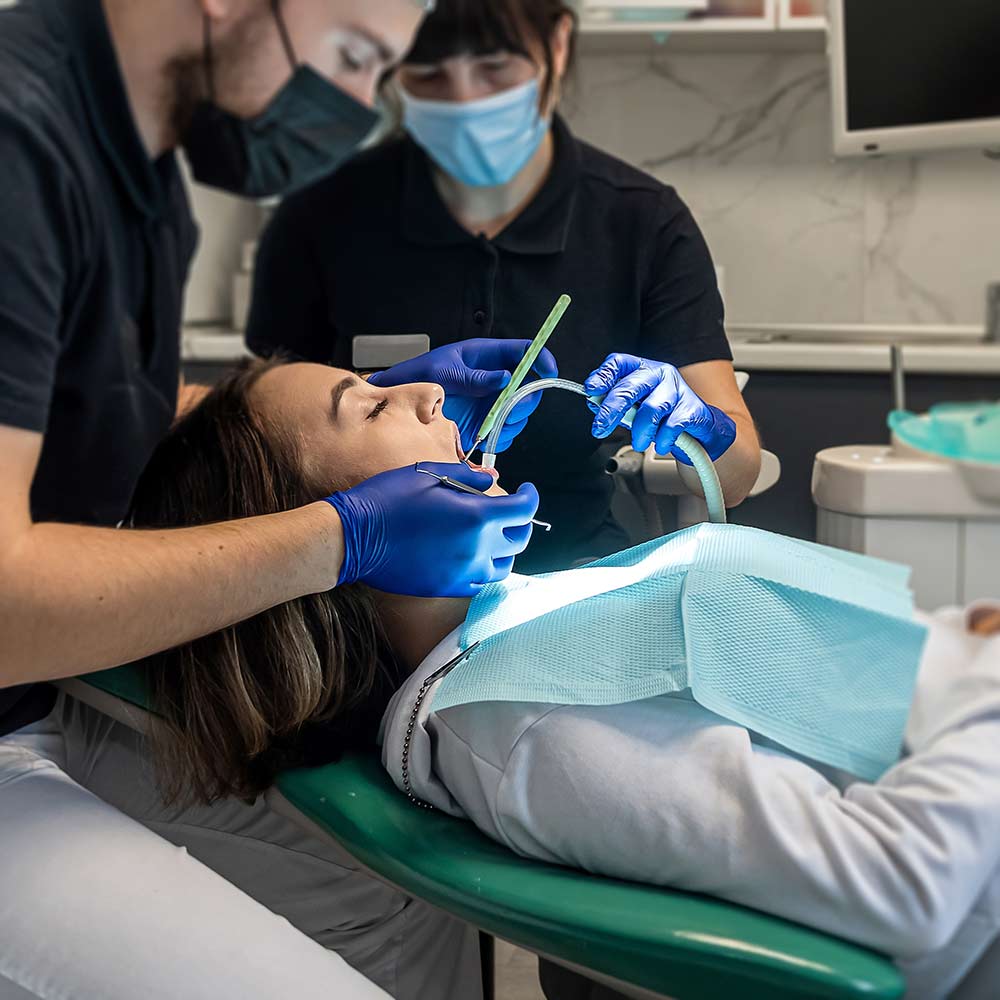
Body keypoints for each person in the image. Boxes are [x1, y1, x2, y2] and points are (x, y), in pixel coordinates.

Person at [86, 356, 1000, 1000]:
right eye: (368, 407)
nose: (428, 387)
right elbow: (907, 884)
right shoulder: (518, 720)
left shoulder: (527, 628)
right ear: (313, 539)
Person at [0, 0, 548, 996]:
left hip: (44, 699)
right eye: (349, 57)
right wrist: (341, 534)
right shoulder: (15, 142)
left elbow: (71, 397)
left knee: (397, 908)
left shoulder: (135, 165)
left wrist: (362, 402)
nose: (351, 108)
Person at [246, 0, 762, 573]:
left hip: (575, 579)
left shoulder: (642, 222)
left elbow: (736, 474)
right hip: (367, 586)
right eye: (429, 74)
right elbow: (249, 450)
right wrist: (373, 400)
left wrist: (703, 431)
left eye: (494, 67)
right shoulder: (321, 216)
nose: (464, 100)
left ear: (557, 46)